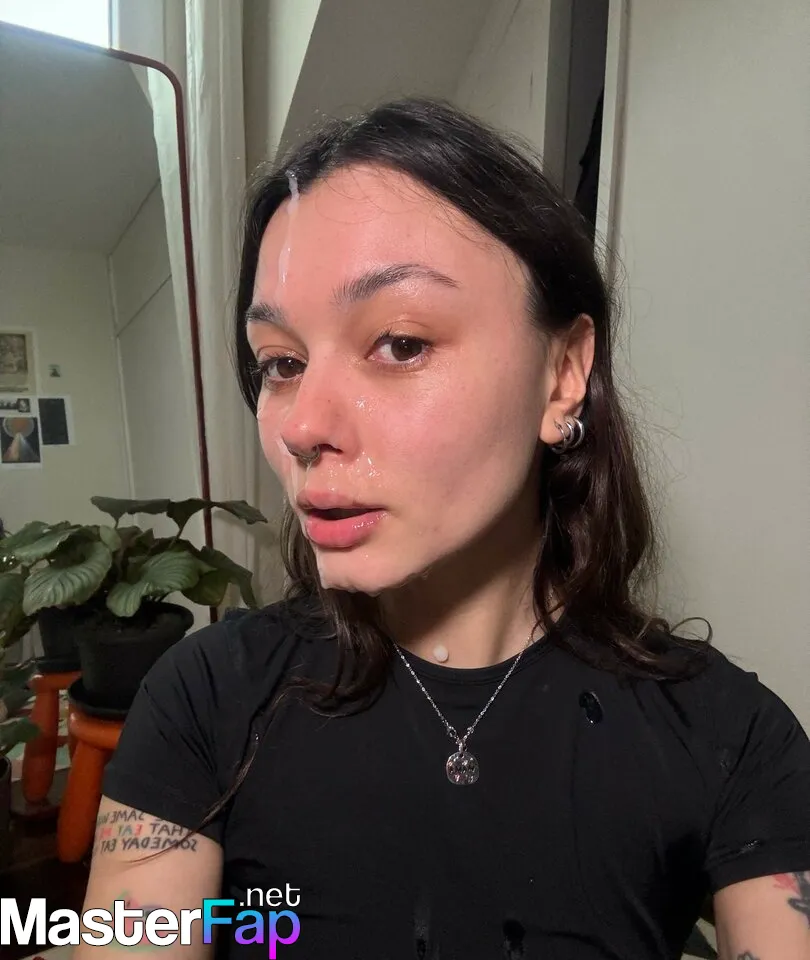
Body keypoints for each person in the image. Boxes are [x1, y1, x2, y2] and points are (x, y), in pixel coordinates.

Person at [78, 98, 810, 960]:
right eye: (281, 362)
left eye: (399, 343)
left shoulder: (731, 735)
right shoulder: (204, 697)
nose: (302, 425)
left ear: (563, 374)